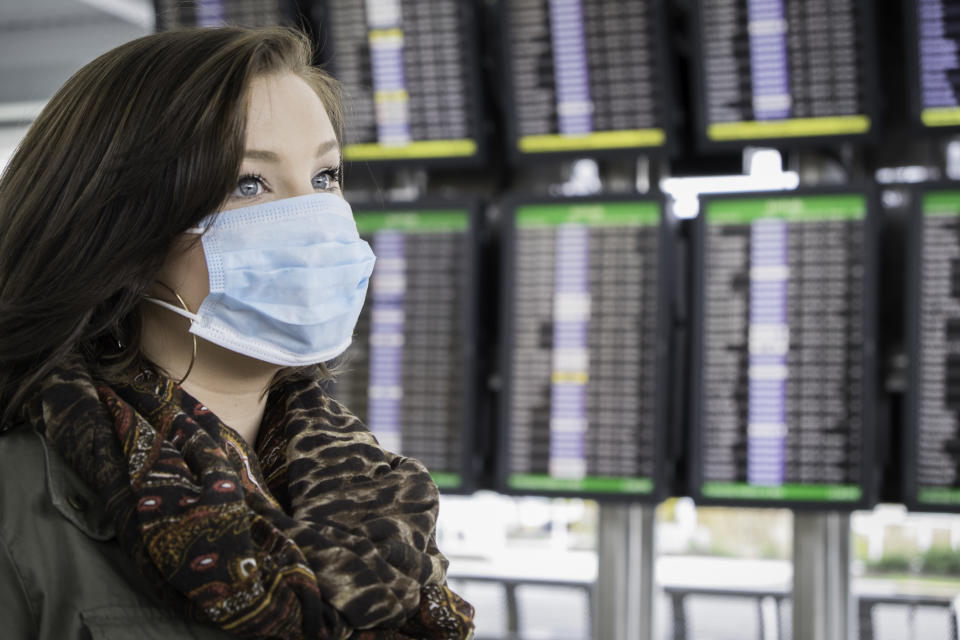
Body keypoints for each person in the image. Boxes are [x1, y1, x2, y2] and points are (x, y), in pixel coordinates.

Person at [0, 26, 474, 639]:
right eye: (248, 183)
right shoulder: (18, 503)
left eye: (325, 177)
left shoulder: (376, 494)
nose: (316, 220)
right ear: (120, 227)